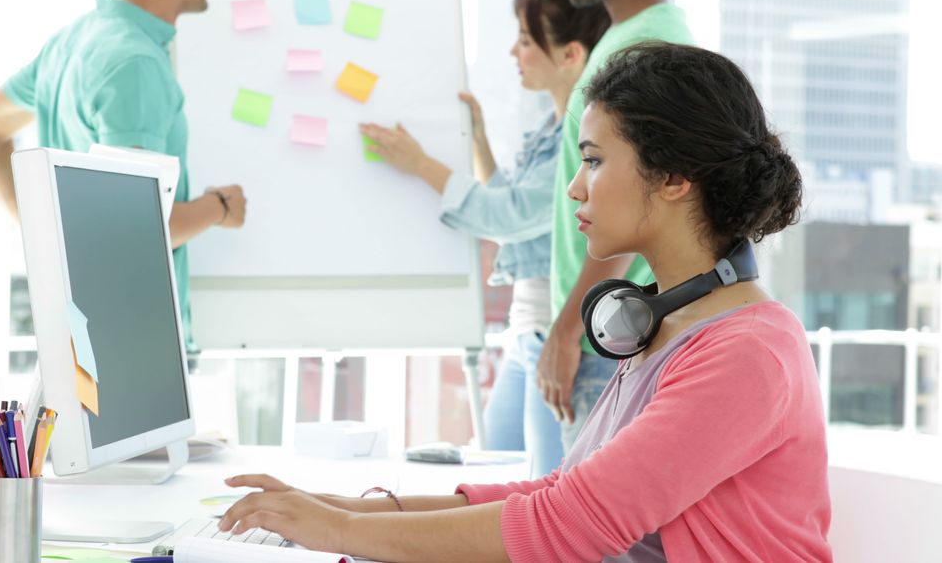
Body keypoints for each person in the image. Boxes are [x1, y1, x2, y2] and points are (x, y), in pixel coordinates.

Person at [215, 42, 833, 562]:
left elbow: (567, 524)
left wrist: (339, 532)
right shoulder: (673, 318)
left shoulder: (747, 350)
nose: (574, 186)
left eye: (593, 160)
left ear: (674, 177)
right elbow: (561, 491)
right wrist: (341, 508)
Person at [357, 0, 610, 478]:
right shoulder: (548, 127)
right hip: (527, 331)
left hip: (555, 335)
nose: (513, 55)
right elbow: (510, 205)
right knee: (499, 471)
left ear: (571, 55)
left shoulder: (580, 140)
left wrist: (421, 166)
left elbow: (509, 215)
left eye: (524, 42)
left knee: (542, 489)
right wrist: (477, 141)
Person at [0, 0, 245, 353]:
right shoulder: (135, 64)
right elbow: (134, 231)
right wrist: (217, 207)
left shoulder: (76, 40)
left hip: (94, 331)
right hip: (133, 342)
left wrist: (47, 233)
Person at [539, 0, 694, 453]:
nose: (577, 186)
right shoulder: (627, 33)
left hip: (606, 336)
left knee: (577, 520)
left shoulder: (650, 43)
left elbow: (637, 200)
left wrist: (569, 330)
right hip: (603, 330)